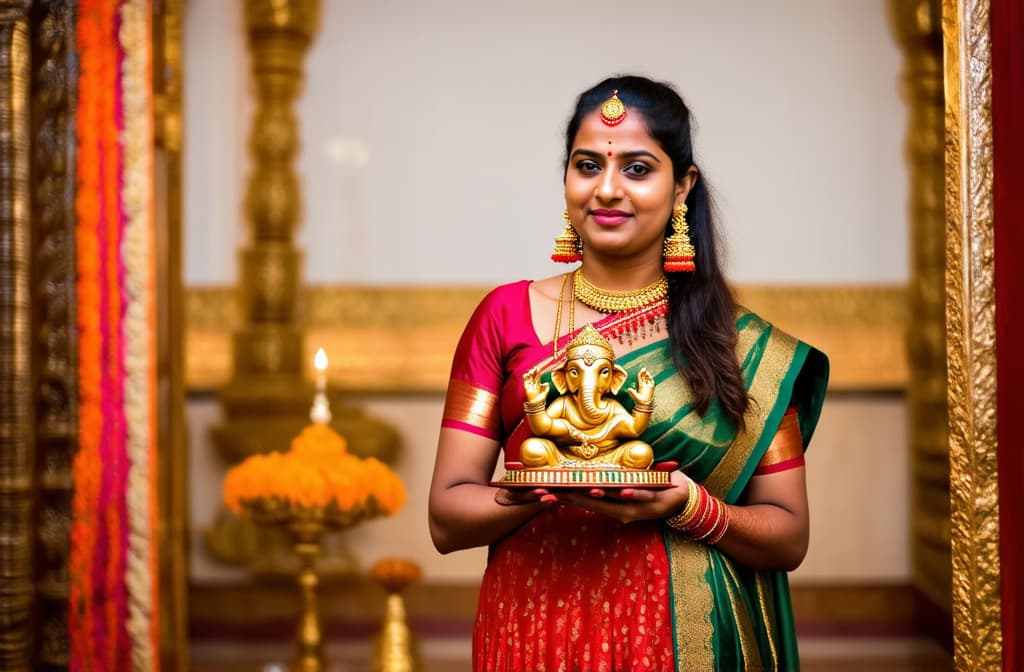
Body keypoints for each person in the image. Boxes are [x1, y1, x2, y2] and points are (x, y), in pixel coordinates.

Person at [428, 75, 829, 672]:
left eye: (637, 169)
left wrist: (688, 506)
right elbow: (446, 515)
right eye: (587, 165)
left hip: (680, 630)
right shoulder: (503, 316)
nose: (607, 189)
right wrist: (524, 494)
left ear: (682, 185)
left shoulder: (736, 345)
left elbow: (788, 536)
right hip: (534, 621)